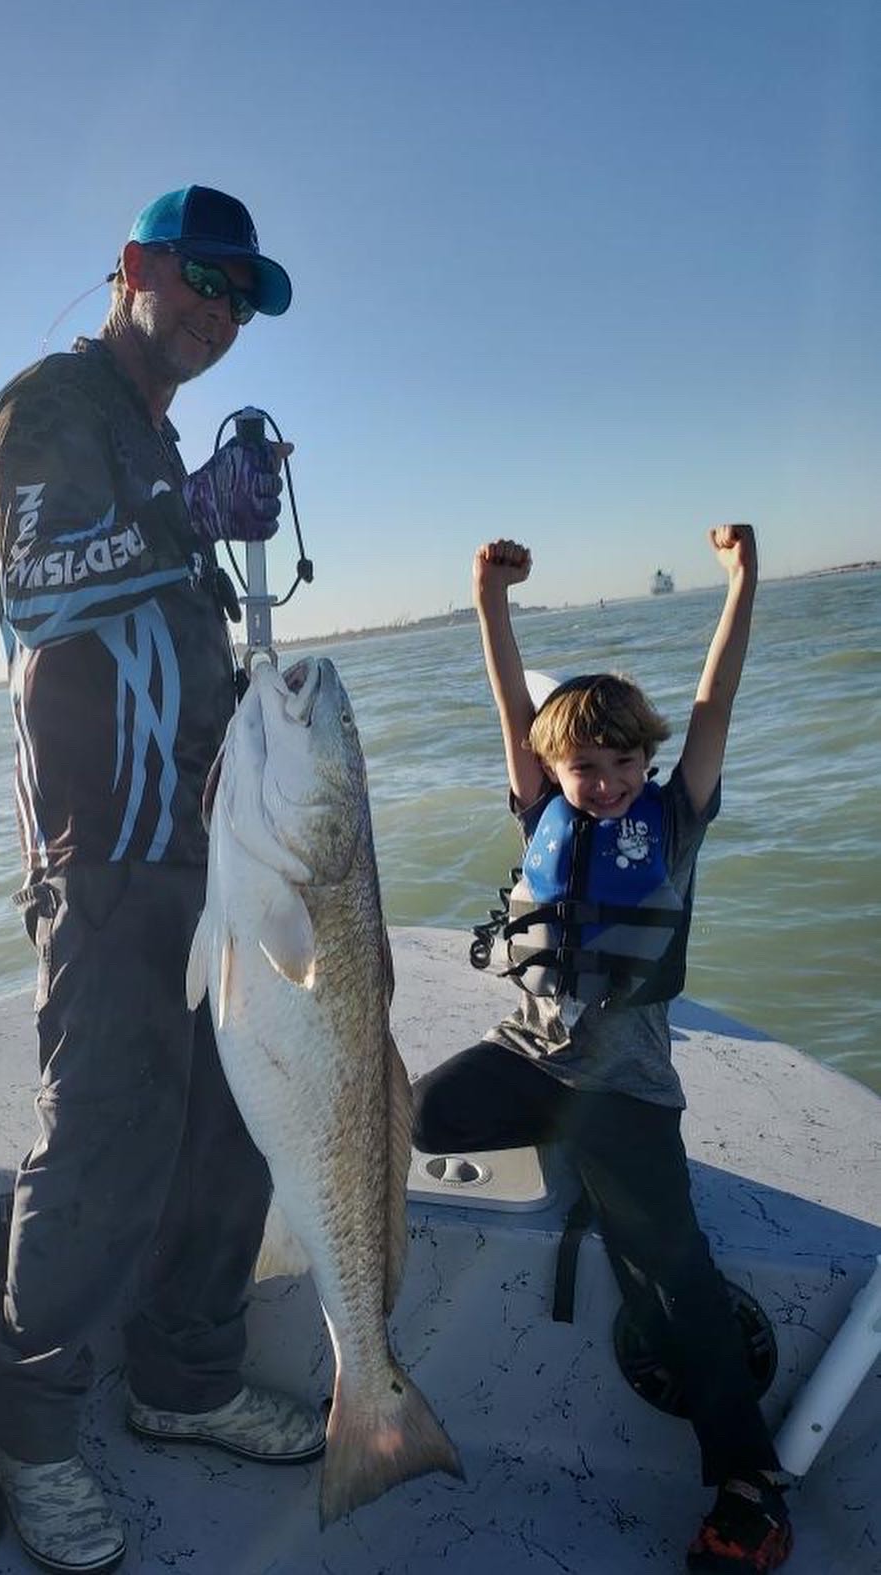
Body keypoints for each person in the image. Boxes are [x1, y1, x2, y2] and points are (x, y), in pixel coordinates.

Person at [0, 187, 323, 1575]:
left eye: (243, 299)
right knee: (107, 1132)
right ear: (135, 268)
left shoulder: (160, 438)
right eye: (205, 280)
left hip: (206, 847)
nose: (221, 313)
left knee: (234, 1124)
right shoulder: (50, 406)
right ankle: (36, 1430)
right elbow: (41, 574)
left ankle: (183, 1379)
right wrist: (186, 509)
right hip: (106, 852)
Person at [413, 527, 793, 1574]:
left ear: (651, 762)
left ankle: (748, 1488)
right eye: (587, 765)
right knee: (409, 1117)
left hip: (623, 1087)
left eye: (627, 762)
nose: (610, 782)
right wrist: (486, 597)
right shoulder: (539, 803)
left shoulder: (673, 824)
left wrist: (743, 582)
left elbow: (714, 704)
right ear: (552, 766)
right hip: (527, 1057)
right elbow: (507, 701)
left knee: (672, 1271)